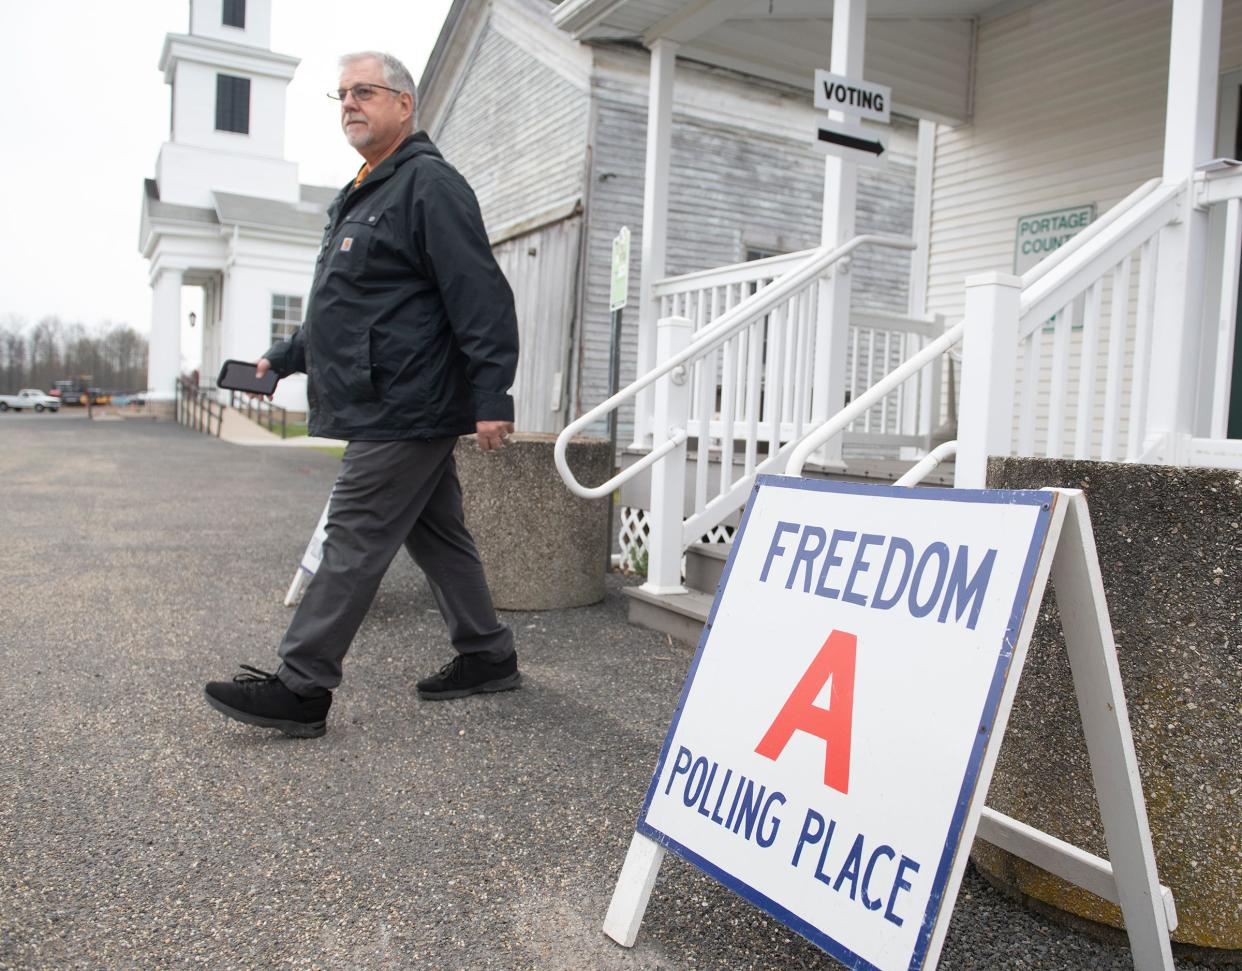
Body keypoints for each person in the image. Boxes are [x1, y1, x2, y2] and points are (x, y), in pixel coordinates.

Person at [204, 51, 520, 739]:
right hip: (394, 397)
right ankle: (487, 652)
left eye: (366, 91)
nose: (350, 103)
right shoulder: (367, 188)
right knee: (438, 534)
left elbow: (481, 295)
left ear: (404, 104)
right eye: (342, 93)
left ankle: (302, 684)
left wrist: (493, 392)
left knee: (351, 534)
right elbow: (348, 304)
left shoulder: (430, 186)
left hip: (406, 403)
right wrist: (287, 356)